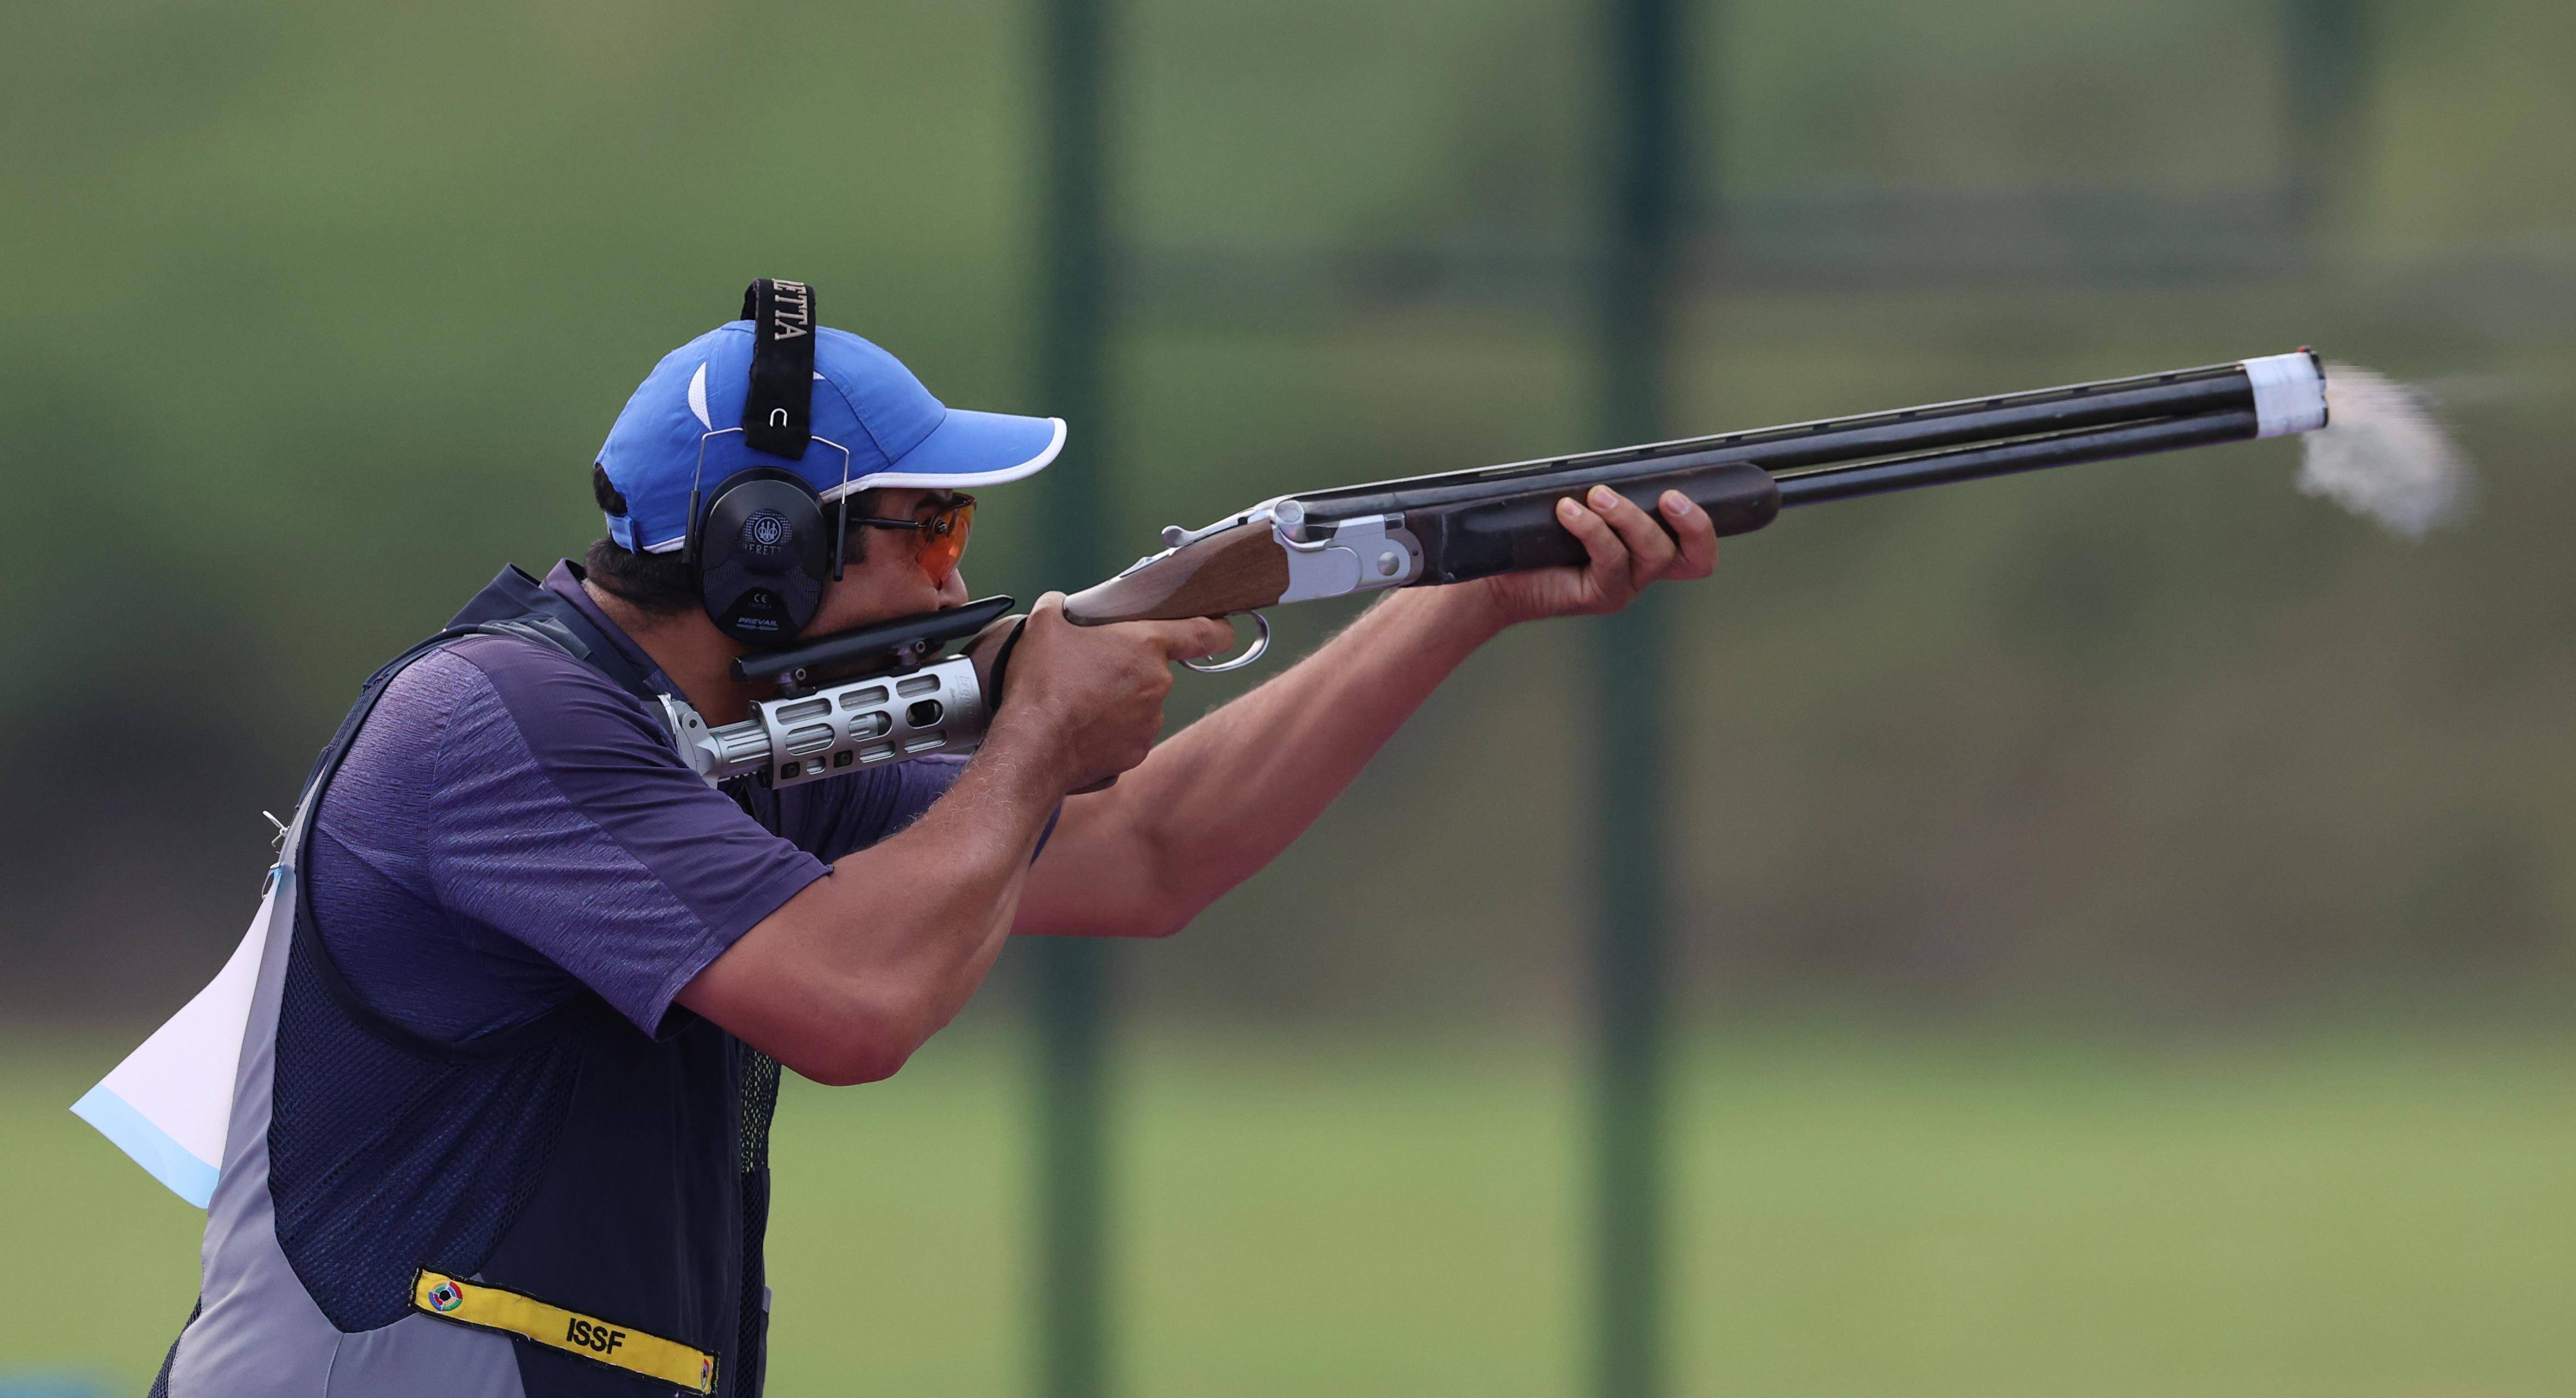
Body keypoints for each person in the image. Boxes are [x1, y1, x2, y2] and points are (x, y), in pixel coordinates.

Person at [146, 285, 1717, 1397]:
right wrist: (1028, 737)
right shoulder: (495, 723)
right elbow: (858, 1002)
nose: (964, 574)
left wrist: (1461, 599)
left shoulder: (710, 747)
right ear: (767, 553)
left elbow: (1154, 853)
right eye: (935, 532)